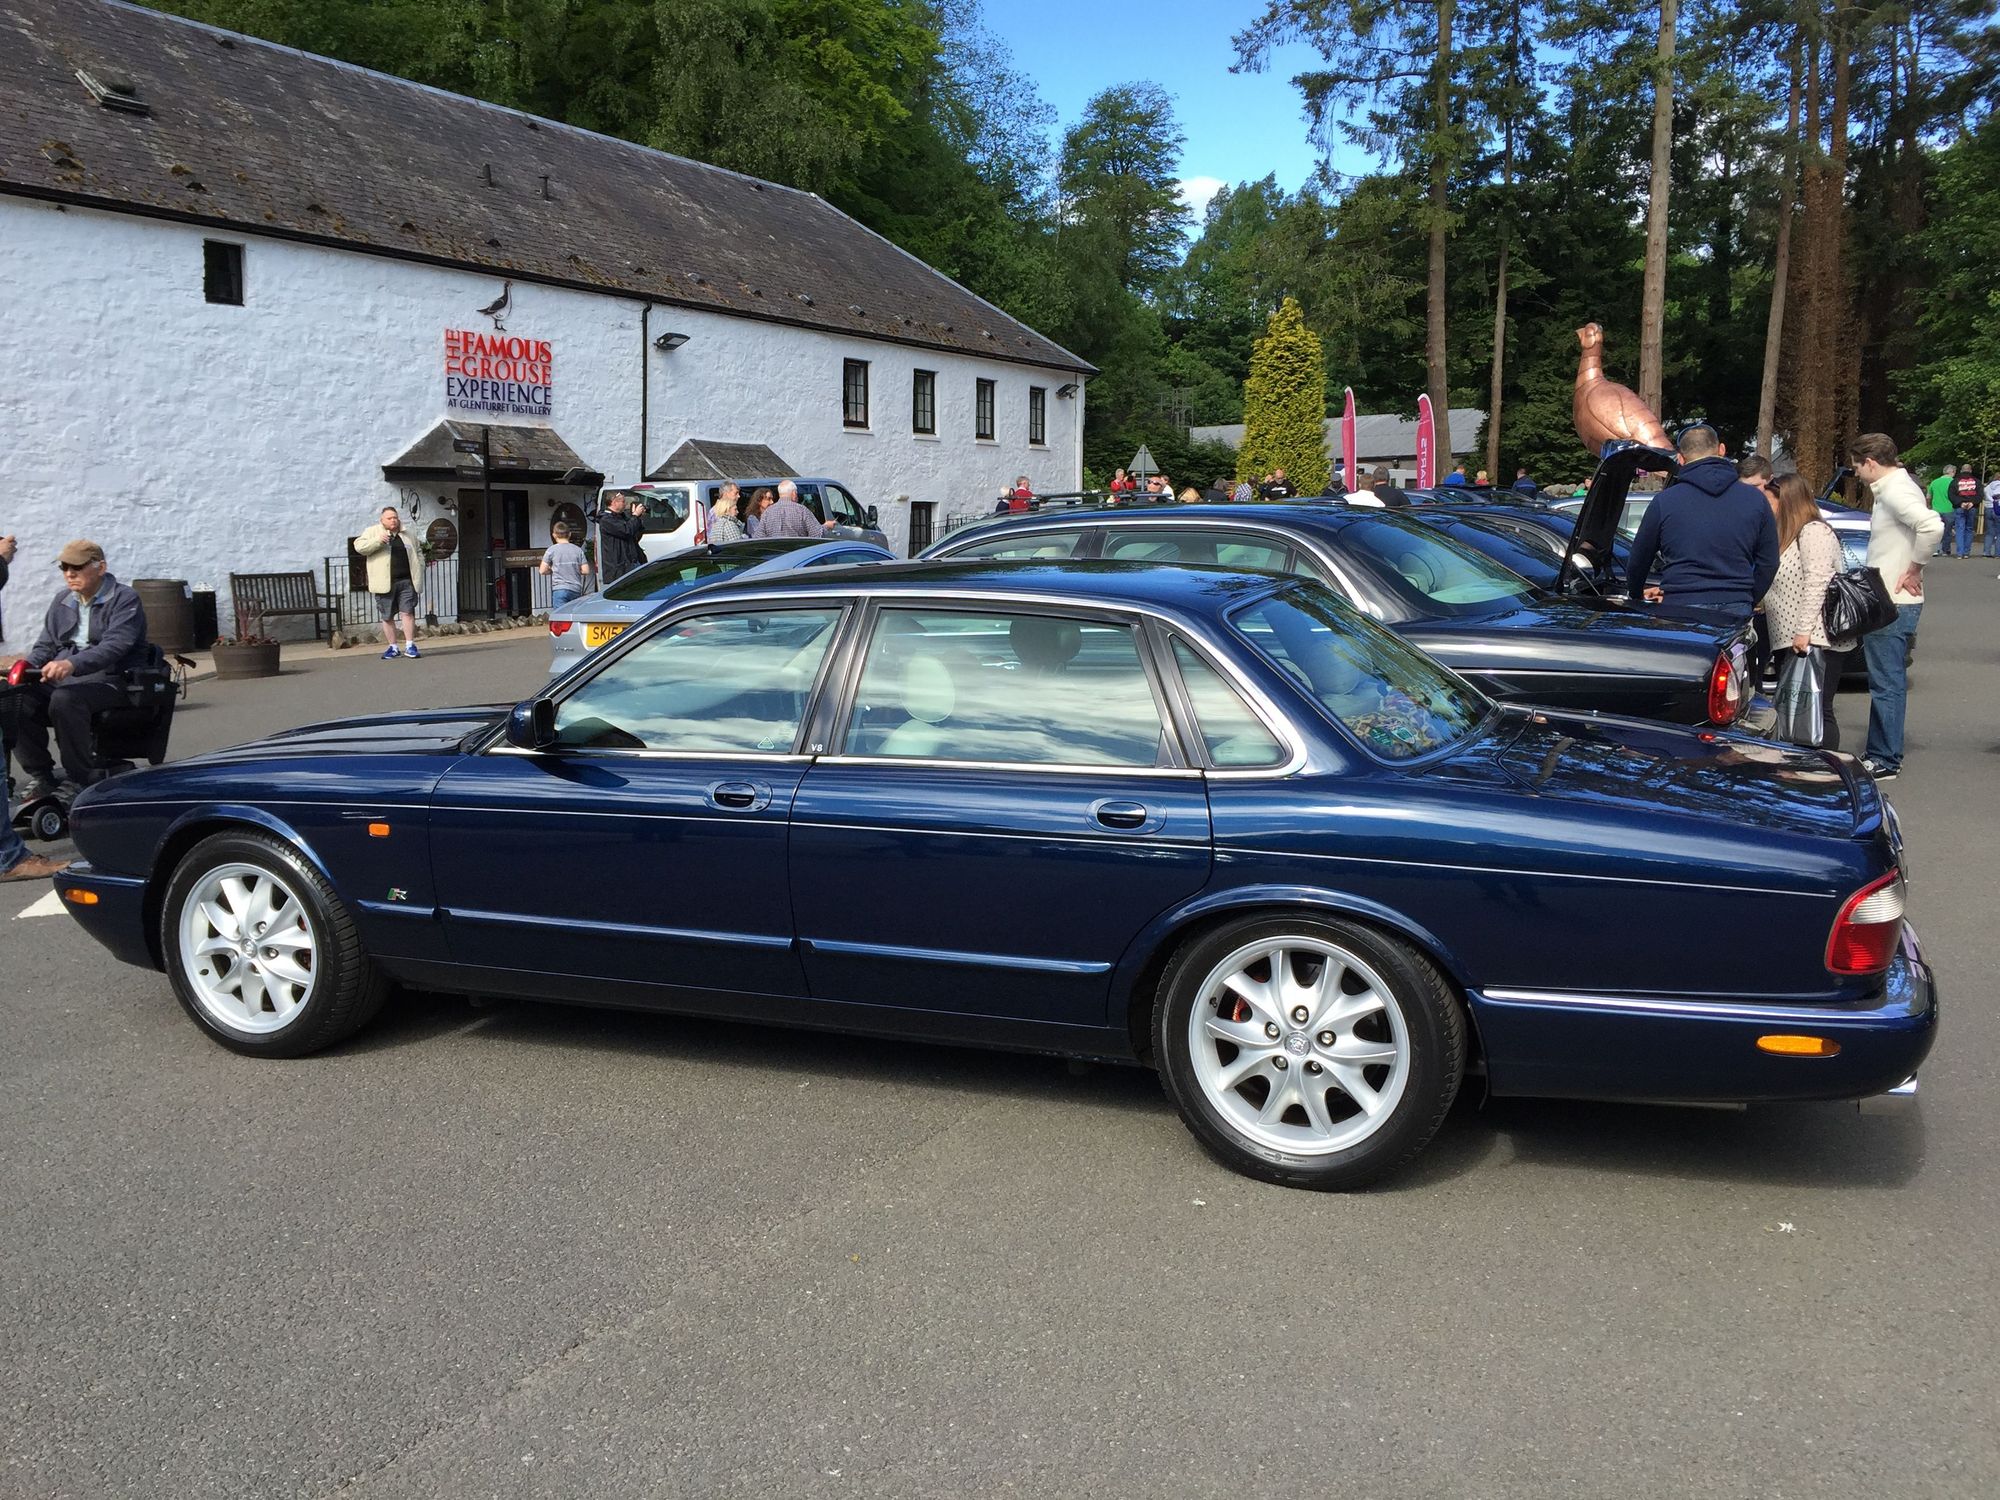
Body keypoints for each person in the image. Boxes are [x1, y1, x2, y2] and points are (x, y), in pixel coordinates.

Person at [11, 540, 150, 804]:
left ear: (101, 568)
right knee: (14, 697)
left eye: (76, 567)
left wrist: (72, 664)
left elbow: (116, 645)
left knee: (66, 699)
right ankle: (42, 775)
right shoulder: (62, 600)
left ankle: (80, 777)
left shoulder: (125, 598)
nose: (69, 573)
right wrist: (25, 668)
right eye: (64, 567)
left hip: (112, 679)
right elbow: (46, 645)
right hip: (67, 677)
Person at [1849, 432, 1942, 780]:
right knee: (1885, 680)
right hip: (1893, 599)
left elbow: (1932, 526)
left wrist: (1915, 567)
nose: (1856, 473)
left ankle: (1886, 758)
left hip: (1892, 600)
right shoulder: (1898, 487)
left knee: (1886, 683)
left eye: (1857, 466)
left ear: (1871, 462)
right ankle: (1879, 750)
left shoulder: (1895, 491)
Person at [1624, 424, 1778, 624]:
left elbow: (1639, 560)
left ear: (1681, 459)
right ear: (1721, 449)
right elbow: (1769, 562)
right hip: (1736, 604)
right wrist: (1748, 597)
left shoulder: (1665, 501)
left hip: (1680, 605)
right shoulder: (1756, 500)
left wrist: (1636, 594)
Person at [1762, 473, 1848, 749]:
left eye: (1769, 502)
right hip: (1789, 638)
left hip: (1814, 638)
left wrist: (1803, 632)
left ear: (1787, 501)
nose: (1765, 508)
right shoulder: (1784, 535)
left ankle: (1826, 766)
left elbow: (1817, 583)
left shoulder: (1814, 532)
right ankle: (1800, 762)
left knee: (1818, 709)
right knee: (1796, 709)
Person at [352, 504, 424, 659]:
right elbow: (359, 547)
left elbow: (418, 551)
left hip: (406, 581)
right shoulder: (372, 532)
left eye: (395, 517)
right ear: (382, 520)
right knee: (387, 616)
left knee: (408, 612)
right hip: (384, 583)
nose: (393, 520)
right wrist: (378, 541)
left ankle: (410, 646)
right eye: (389, 518)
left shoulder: (408, 534)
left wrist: (420, 566)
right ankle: (393, 647)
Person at [590, 491, 646, 583]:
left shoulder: (623, 518)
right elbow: (626, 531)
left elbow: (634, 535)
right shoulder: (606, 520)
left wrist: (638, 519)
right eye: (623, 501)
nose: (625, 504)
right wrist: (635, 516)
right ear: (614, 502)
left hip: (632, 563)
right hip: (618, 568)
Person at [538, 522, 591, 609]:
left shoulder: (551, 550)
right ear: (569, 534)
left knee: (560, 615)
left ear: (554, 535)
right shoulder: (578, 550)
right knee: (573, 614)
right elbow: (586, 570)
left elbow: (542, 570)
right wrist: (574, 570)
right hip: (575, 589)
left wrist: (552, 570)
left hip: (559, 589)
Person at [1952, 464, 1980, 558]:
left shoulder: (1955, 481)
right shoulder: (1976, 481)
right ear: (1970, 471)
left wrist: (1960, 503)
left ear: (1961, 470)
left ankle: (1960, 553)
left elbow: (1951, 494)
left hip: (1960, 507)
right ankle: (1966, 553)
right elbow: (1980, 494)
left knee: (1960, 529)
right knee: (1969, 529)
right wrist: (1973, 502)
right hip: (1972, 507)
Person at [1926, 466, 1955, 555]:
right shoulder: (1953, 482)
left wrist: (1929, 506)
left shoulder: (1934, 482)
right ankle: (1945, 550)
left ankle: (1935, 549)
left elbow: (1928, 496)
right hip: (1949, 509)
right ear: (1952, 472)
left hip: (1936, 509)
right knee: (1947, 531)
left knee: (1936, 530)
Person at [1987, 472, 2000, 561]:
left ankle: (1986, 552)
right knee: (1999, 533)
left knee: (1989, 532)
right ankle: (1997, 553)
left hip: (1988, 508)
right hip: (1998, 508)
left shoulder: (1987, 487)